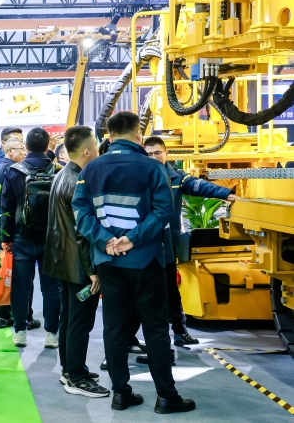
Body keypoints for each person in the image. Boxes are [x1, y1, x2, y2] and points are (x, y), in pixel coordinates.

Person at [72, 112, 195, 414]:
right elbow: (163, 211)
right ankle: (166, 396)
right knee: (155, 328)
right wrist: (132, 239)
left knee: (114, 327)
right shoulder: (153, 168)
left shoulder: (91, 168)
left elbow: (81, 212)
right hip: (145, 260)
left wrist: (105, 241)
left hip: (108, 261)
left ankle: (120, 393)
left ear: (110, 136)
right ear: (138, 134)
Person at [143, 136, 238, 348]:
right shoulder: (139, 178)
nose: (154, 157)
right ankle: (133, 338)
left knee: (171, 291)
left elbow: (199, 186)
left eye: (157, 153)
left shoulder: (177, 178)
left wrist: (226, 194)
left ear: (166, 154)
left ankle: (179, 331)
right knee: (143, 294)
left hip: (166, 246)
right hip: (143, 246)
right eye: (149, 154)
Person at [44, 126, 108, 398]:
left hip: (63, 261)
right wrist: (92, 271)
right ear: (87, 151)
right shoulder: (79, 181)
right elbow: (82, 232)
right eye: (96, 147)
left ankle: (70, 369)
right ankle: (77, 378)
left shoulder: (62, 174)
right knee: (80, 322)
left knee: (69, 319)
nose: (99, 151)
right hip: (80, 266)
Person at [0, 127, 60, 348]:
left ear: (26, 146)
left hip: (21, 236)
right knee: (51, 288)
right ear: (47, 146)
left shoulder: (14, 171)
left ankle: (20, 331)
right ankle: (52, 333)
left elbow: (7, 207)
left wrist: (6, 237)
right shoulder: (58, 170)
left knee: (21, 287)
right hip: (51, 238)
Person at [0, 138, 26, 329]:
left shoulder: (4, 166)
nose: (24, 153)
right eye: (21, 149)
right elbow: (5, 204)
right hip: (5, 226)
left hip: (1, 224)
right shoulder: (8, 169)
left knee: (4, 270)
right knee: (8, 272)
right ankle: (4, 314)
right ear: (10, 151)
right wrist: (8, 235)